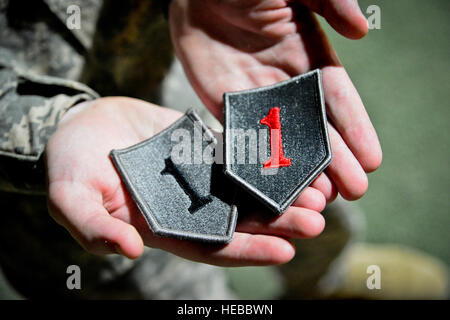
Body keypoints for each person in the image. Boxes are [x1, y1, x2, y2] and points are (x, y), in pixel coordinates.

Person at [0, 0, 382, 299]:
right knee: (165, 290)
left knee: (319, 202)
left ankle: (325, 284)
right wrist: (56, 122)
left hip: (200, 65)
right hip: (67, 186)